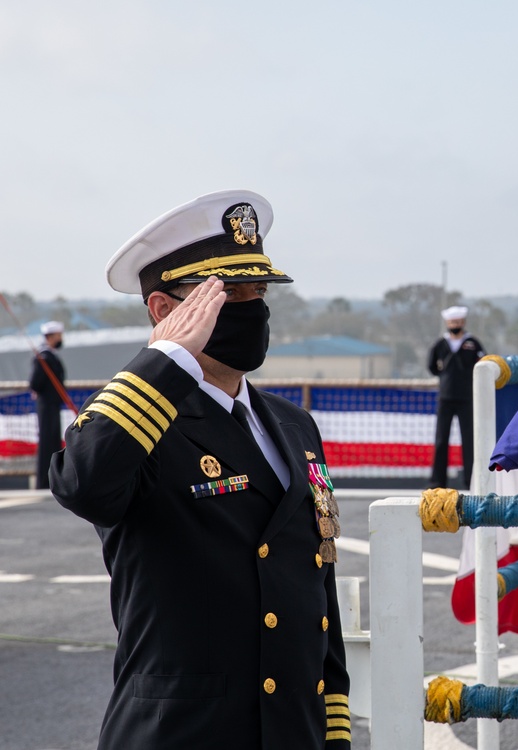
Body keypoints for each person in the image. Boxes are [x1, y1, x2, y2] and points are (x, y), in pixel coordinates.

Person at [49, 190, 351, 750]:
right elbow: (84, 484)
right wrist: (166, 361)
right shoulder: (136, 424)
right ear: (165, 310)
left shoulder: (293, 426)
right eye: (228, 293)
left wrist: (331, 727)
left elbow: (316, 589)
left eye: (258, 290)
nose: (252, 306)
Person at [427, 305, 485, 488]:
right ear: (447, 323)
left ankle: (471, 481)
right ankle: (437, 482)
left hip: (467, 398)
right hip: (445, 398)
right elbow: (431, 366)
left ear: (464, 322)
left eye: (458, 322)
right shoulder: (440, 344)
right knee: (441, 440)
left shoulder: (473, 344)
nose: (455, 325)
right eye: (452, 322)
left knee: (469, 440)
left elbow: (483, 362)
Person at [29, 320, 66, 489]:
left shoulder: (49, 355)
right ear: (51, 337)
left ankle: (51, 479)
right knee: (47, 443)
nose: (60, 339)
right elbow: (35, 382)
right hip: (47, 405)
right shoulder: (43, 357)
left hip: (52, 405)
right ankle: (44, 481)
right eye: (58, 336)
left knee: (53, 441)